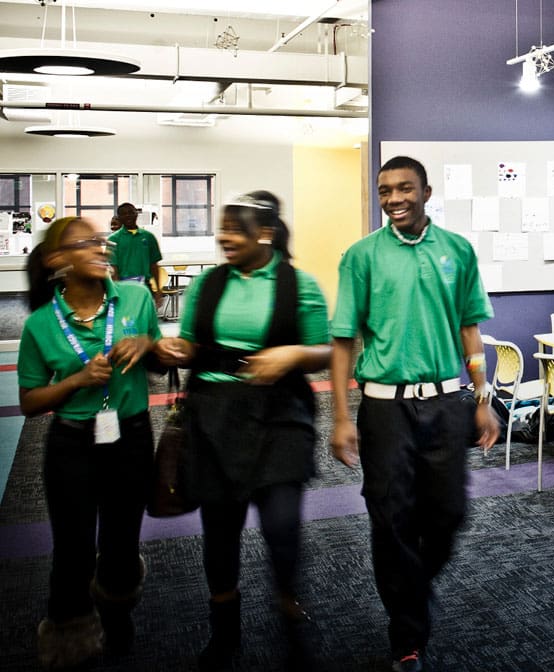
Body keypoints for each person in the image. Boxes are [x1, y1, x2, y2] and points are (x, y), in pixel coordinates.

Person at [329, 156, 499, 672]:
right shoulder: (361, 257)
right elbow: (341, 341)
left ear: (426, 192)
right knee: (391, 519)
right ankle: (407, 636)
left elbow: (470, 329)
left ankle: (414, 589)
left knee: (448, 514)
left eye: (405, 189)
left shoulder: (457, 251)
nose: (394, 199)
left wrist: (482, 397)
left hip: (447, 402)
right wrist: (340, 416)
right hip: (384, 408)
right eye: (385, 191)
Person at [154, 191, 331, 671]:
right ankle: (224, 630)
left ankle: (289, 608)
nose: (224, 238)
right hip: (213, 416)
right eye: (222, 229)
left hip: (280, 418)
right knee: (221, 529)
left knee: (281, 525)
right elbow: (191, 342)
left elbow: (325, 350)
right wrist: (178, 351)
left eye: (235, 230)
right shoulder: (209, 283)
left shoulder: (301, 285)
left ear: (266, 234)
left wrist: (293, 354)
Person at [18, 216, 158, 669]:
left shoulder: (136, 298)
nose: (103, 247)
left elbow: (159, 357)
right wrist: (76, 380)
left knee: (121, 546)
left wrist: (146, 345)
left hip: (131, 439)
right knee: (73, 551)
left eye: (103, 241)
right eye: (88, 242)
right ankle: (72, 634)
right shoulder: (40, 324)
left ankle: (117, 613)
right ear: (58, 260)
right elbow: (29, 402)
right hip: (71, 445)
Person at [107, 202, 162, 297]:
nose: (128, 215)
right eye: (124, 214)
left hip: (145, 287)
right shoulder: (113, 239)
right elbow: (113, 268)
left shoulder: (149, 237)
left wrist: (158, 290)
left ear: (136, 214)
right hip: (123, 287)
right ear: (119, 217)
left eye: (131, 212)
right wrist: (116, 292)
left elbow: (154, 265)